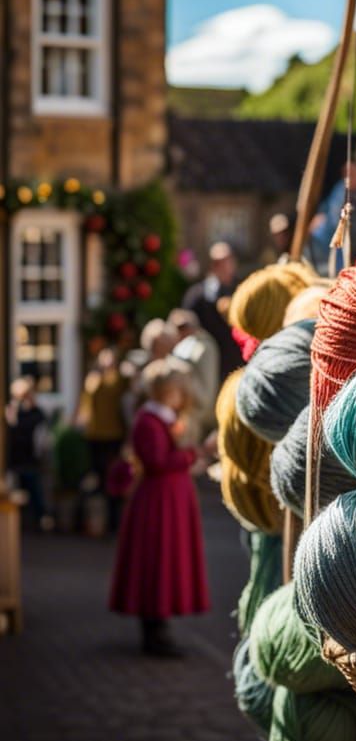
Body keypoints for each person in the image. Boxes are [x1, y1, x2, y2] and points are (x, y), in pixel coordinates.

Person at [108, 359, 213, 657]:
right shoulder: (149, 421)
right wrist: (195, 453)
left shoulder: (161, 419)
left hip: (169, 498)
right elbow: (156, 462)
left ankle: (160, 627)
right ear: (171, 391)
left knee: (168, 560)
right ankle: (153, 630)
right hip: (158, 501)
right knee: (158, 560)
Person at [182, 242, 243, 380]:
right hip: (209, 364)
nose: (224, 267)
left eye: (227, 261)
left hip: (238, 360)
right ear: (212, 265)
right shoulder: (197, 295)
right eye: (218, 263)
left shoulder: (242, 290)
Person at [77, 348, 127, 497]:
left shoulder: (120, 380)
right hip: (95, 432)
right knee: (97, 472)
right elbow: (85, 403)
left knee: (111, 472)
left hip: (114, 432)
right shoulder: (93, 379)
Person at [169, 308, 221, 439]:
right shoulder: (186, 345)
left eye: (184, 327)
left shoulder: (203, 347)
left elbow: (206, 394)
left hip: (197, 415)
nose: (181, 331)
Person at [5, 377, 50, 529]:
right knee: (17, 494)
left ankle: (38, 519)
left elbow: (41, 440)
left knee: (34, 492)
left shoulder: (36, 414)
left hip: (29, 459)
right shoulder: (12, 412)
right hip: (17, 460)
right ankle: (24, 522)